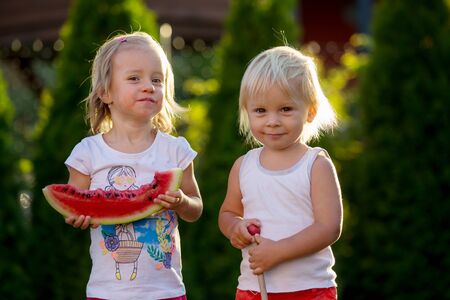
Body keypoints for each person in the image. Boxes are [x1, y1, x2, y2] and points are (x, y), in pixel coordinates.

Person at [64, 32, 203, 300]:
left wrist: (182, 202)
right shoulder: (88, 153)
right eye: (134, 78)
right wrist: (76, 216)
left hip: (167, 291)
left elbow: (196, 207)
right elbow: (74, 205)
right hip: (107, 292)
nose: (149, 86)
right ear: (105, 92)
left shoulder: (176, 150)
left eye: (157, 79)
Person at [218, 46, 343, 300]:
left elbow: (329, 227)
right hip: (254, 289)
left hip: (310, 290)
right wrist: (236, 228)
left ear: (310, 111)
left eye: (285, 109)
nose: (272, 120)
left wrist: (279, 251)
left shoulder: (315, 164)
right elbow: (227, 213)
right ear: (247, 111)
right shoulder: (244, 166)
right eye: (260, 111)